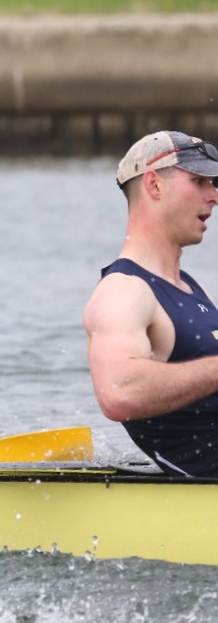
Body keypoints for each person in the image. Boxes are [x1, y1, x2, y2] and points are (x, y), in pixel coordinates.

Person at [83, 130, 218, 475]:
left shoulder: (195, 289)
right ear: (155, 185)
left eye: (213, 184)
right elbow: (118, 393)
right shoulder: (123, 292)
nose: (214, 196)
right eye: (199, 181)